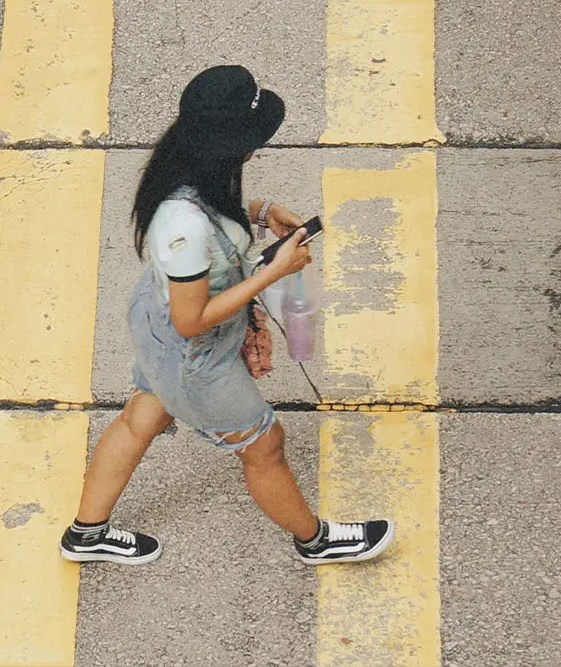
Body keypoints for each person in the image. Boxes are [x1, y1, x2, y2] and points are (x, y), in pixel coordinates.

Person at [58, 65, 394, 567]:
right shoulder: (185, 227)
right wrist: (274, 271)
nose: (255, 148)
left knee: (141, 416)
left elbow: (211, 219)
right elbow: (193, 320)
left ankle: (86, 535)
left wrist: (261, 212)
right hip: (194, 353)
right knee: (266, 446)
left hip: (155, 324)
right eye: (252, 138)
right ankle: (316, 542)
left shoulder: (182, 166)